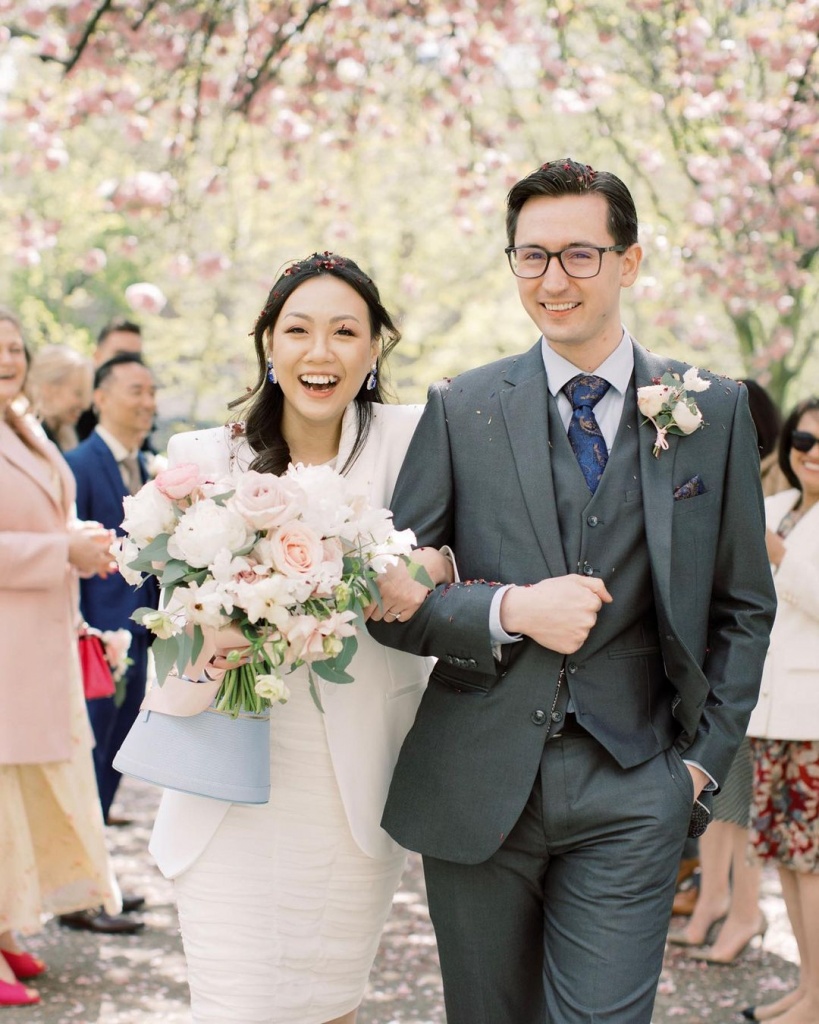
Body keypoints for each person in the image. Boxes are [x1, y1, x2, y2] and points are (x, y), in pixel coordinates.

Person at [368, 158, 777, 1024]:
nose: (553, 280)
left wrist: (699, 765)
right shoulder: (463, 406)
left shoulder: (713, 409)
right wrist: (505, 609)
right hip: (479, 779)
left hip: (636, 782)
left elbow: (743, 605)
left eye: (579, 255)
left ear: (627, 263)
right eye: (531, 256)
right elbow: (392, 604)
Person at [146, 252, 453, 1024]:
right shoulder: (199, 460)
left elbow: (467, 550)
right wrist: (228, 612)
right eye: (300, 331)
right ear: (269, 345)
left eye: (345, 331)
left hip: (356, 779)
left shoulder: (419, 438)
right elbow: (170, 614)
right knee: (235, 1005)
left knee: (329, 1003)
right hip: (228, 775)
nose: (321, 353)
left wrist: (431, 563)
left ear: (375, 346)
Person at [0, 307, 124, 1008]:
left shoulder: (23, 426)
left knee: (22, 795)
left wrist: (80, 538)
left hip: (37, 643)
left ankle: (7, 929)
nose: (8, 359)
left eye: (15, 347)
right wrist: (59, 553)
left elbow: (41, 513)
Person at [669, 378, 785, 961]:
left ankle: (741, 908)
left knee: (735, 804)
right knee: (717, 803)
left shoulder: (774, 493)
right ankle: (716, 900)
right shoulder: (772, 494)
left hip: (772, 675)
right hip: (727, 667)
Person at [743, 397, 819, 1024]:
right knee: (788, 863)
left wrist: (779, 555)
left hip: (813, 718)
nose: (812, 450)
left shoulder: (778, 531)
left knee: (813, 865)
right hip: (767, 714)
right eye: (803, 437)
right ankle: (806, 988)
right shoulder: (775, 509)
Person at [64, 354, 160, 827]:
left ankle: (94, 870)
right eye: (136, 391)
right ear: (101, 398)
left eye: (152, 392)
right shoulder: (75, 465)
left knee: (117, 749)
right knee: (87, 754)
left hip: (139, 633)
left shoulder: (150, 467)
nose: (149, 402)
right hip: (91, 639)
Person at [75, 318, 144, 443]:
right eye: (120, 356)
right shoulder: (75, 401)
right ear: (97, 356)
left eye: (135, 358)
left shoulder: (142, 403)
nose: (129, 365)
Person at [24, 344, 94, 452]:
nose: (84, 404)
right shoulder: (27, 434)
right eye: (78, 393)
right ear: (47, 388)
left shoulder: (69, 435)